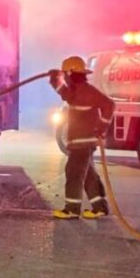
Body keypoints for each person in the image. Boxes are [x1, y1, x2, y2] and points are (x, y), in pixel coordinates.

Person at [50, 55, 114, 220]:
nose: (64, 77)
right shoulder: (79, 89)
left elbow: (109, 105)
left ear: (71, 73)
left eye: (66, 74)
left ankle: (71, 209)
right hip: (81, 141)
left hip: (82, 142)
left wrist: (101, 127)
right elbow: (65, 93)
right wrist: (54, 79)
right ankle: (99, 207)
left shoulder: (84, 91)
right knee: (88, 175)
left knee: (73, 173)